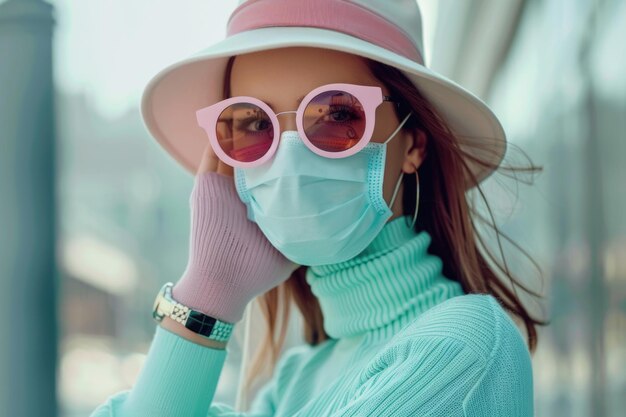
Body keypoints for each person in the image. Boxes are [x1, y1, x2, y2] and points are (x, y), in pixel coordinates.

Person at [91, 0, 549, 416]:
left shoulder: (464, 347)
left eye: (337, 114)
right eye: (253, 122)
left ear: (414, 144)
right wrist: (209, 293)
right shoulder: (294, 380)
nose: (289, 158)